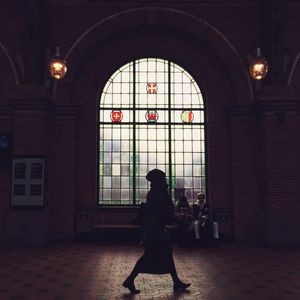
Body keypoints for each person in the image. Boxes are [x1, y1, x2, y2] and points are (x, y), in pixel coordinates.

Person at [123, 169, 191, 293]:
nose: (165, 180)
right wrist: (179, 222)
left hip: (155, 229)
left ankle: (176, 281)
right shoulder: (157, 194)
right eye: (163, 178)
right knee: (150, 255)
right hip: (154, 231)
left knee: (166, 254)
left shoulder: (157, 192)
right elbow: (166, 211)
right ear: (158, 180)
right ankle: (130, 279)